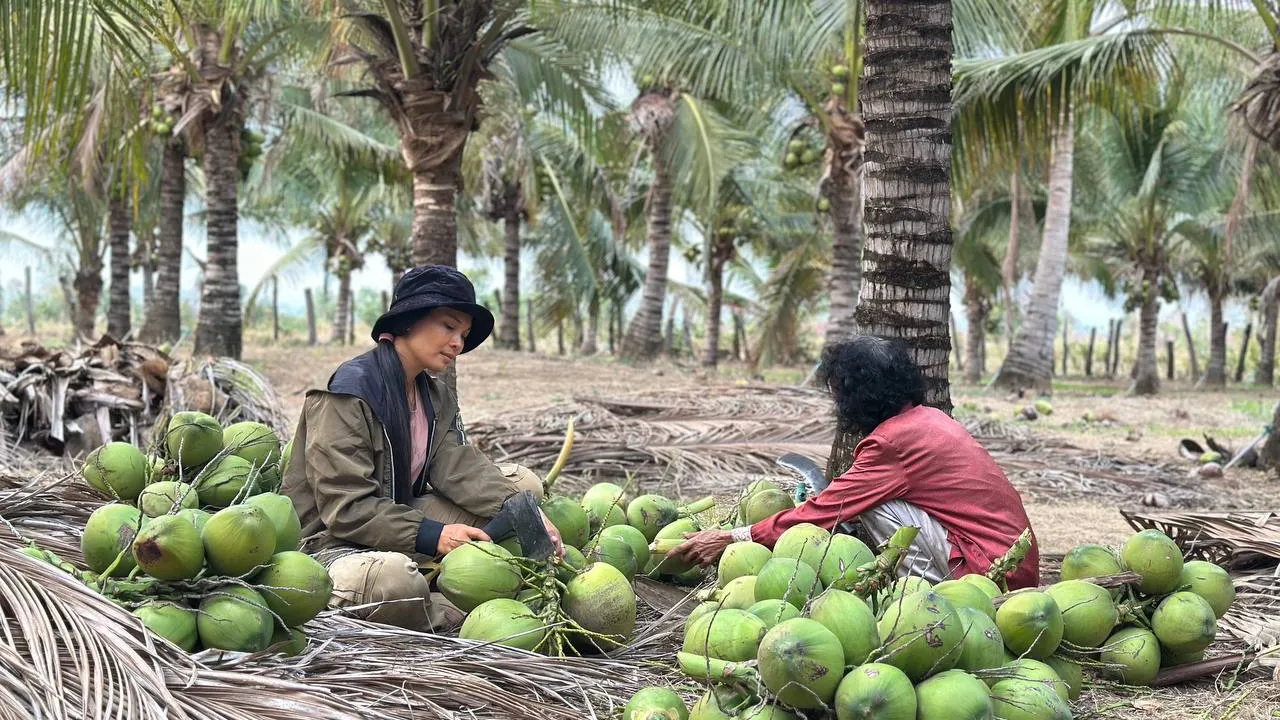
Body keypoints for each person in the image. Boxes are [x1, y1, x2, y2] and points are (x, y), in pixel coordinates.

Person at [281, 265, 563, 632]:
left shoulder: (434, 394)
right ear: (409, 322)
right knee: (397, 583)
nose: (458, 343)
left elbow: (456, 466)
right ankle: (446, 612)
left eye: (462, 334)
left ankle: (457, 583)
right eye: (449, 326)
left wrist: (522, 510)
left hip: (396, 518)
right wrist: (435, 535)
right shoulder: (349, 391)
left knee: (523, 490)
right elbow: (346, 508)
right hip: (334, 542)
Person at [669, 335, 1040, 589]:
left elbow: (830, 508)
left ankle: (924, 599)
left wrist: (732, 538)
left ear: (856, 396)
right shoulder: (928, 419)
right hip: (1014, 565)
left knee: (876, 505)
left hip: (991, 575)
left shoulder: (892, 443)